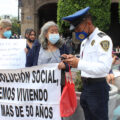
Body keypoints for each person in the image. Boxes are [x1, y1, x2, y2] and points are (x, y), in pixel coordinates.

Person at [62, 7, 113, 120]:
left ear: (88, 23)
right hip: (86, 87)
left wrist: (79, 63)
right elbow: (88, 60)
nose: (76, 32)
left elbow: (104, 68)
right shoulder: (85, 41)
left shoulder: (103, 39)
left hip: (97, 88)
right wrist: (74, 59)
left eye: (78, 28)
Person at [26, 21, 69, 89]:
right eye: (52, 32)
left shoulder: (62, 46)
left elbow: (70, 63)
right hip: (40, 87)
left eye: (56, 31)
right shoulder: (37, 46)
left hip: (58, 87)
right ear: (45, 34)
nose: (55, 34)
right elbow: (28, 64)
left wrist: (65, 66)